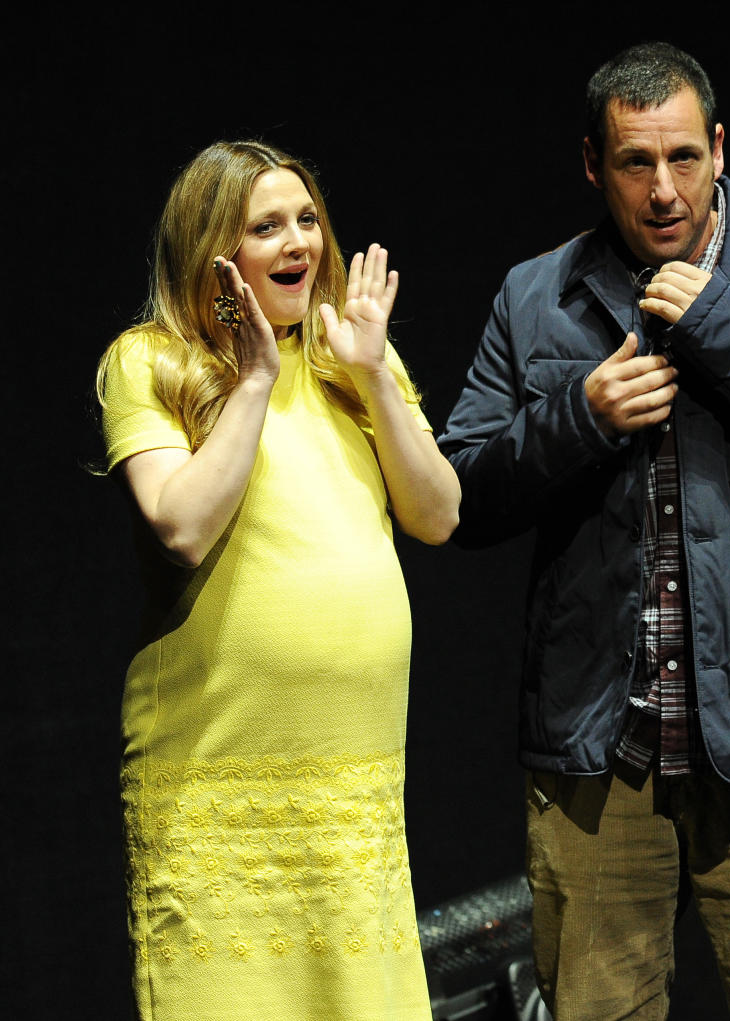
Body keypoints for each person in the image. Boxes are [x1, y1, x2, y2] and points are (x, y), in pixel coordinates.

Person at [438, 42, 730, 1020]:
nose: (663, 189)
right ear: (590, 164)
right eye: (634, 163)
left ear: (721, 149)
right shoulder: (538, 298)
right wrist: (579, 416)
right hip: (603, 763)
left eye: (684, 158)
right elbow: (456, 497)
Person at [96, 139, 460, 1021]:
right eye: (268, 226)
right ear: (215, 253)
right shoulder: (150, 361)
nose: (300, 240)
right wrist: (255, 377)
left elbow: (438, 514)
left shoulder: (350, 358)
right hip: (221, 776)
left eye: (307, 220)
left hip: (351, 783)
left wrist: (373, 372)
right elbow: (182, 525)